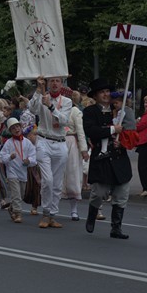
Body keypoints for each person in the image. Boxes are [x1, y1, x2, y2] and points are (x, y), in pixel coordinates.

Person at [83, 78, 132, 239]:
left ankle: (116, 228)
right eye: (102, 92)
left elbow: (130, 130)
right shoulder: (90, 111)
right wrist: (112, 129)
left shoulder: (119, 108)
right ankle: (92, 216)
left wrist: (123, 142)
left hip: (119, 157)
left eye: (107, 92)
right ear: (95, 96)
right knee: (99, 192)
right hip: (102, 158)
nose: (105, 94)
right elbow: (92, 131)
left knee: (121, 193)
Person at [29, 76, 72, 229]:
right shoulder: (41, 97)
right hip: (44, 141)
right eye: (52, 80)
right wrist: (38, 90)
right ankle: (46, 213)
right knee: (47, 180)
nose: (54, 83)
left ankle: (53, 215)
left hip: (60, 142)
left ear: (61, 84)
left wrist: (52, 107)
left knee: (57, 182)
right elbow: (32, 109)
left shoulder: (66, 101)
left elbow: (65, 121)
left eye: (57, 81)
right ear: (47, 83)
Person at [0, 118, 37, 223]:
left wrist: (29, 161)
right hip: (12, 172)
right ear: (10, 131)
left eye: (17, 127)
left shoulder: (28, 143)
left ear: (21, 127)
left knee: (21, 194)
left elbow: (34, 157)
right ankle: (18, 213)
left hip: (23, 172)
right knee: (16, 193)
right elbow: (1, 157)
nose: (16, 129)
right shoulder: (8, 143)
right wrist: (9, 157)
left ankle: (12, 207)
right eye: (13, 128)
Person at [62, 89, 89, 220]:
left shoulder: (75, 111)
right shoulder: (55, 110)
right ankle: (51, 208)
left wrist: (84, 149)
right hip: (58, 142)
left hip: (72, 144)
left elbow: (81, 131)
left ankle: (74, 210)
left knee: (73, 175)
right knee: (56, 175)